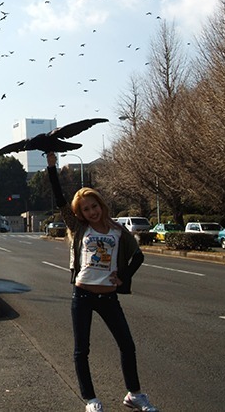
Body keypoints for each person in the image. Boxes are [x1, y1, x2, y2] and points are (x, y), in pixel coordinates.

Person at [46, 152, 159, 412]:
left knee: (127, 345)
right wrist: (52, 168)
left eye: (94, 206)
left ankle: (135, 394)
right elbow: (61, 198)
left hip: (109, 296)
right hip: (83, 295)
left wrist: (123, 278)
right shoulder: (79, 227)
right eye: (85, 209)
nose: (91, 211)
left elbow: (138, 256)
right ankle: (91, 400)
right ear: (80, 213)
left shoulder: (118, 230)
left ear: (101, 204)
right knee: (81, 350)